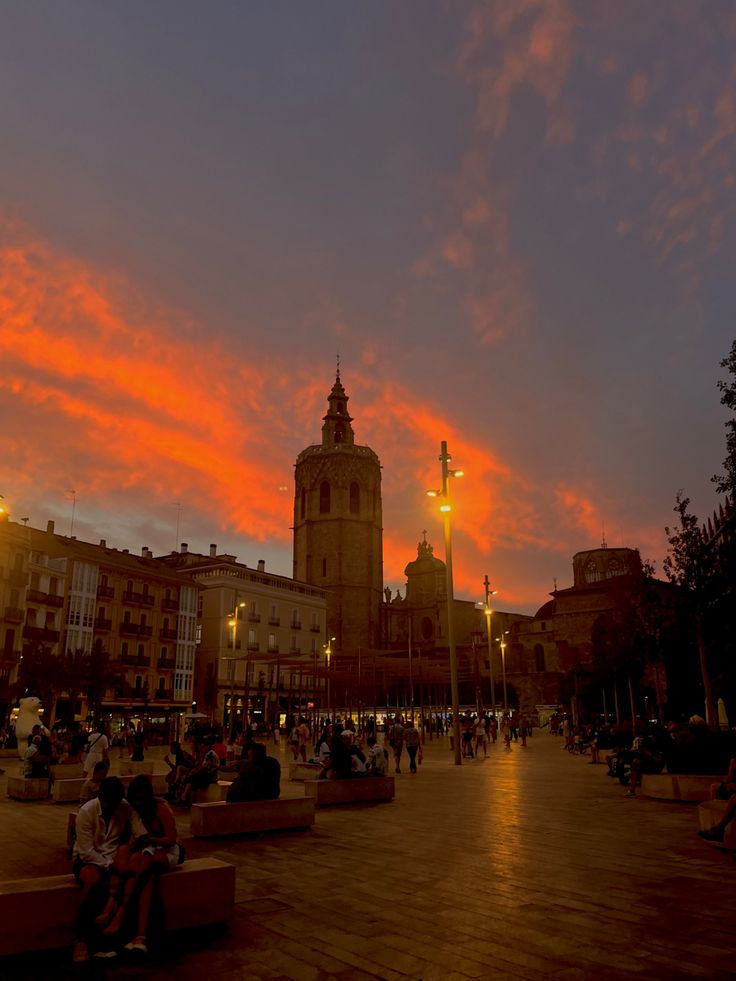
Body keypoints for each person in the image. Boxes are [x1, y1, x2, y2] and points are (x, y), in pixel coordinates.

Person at [93, 774, 180, 954]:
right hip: (147, 848)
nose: (138, 802)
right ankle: (114, 906)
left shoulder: (160, 808)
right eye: (135, 799)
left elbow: (171, 839)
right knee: (130, 856)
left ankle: (119, 912)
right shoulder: (134, 810)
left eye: (141, 799)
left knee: (143, 862)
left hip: (165, 851)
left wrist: (150, 839)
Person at [71, 776, 146, 962]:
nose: (111, 809)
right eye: (108, 804)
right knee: (92, 881)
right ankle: (80, 938)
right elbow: (86, 851)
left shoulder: (124, 808)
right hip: (89, 859)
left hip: (114, 858)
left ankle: (115, 936)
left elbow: (140, 831)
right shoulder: (86, 813)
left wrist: (131, 844)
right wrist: (110, 865)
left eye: (115, 804)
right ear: (100, 798)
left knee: (131, 879)